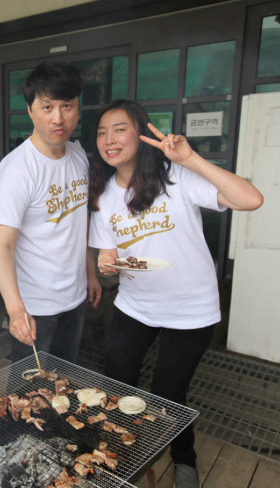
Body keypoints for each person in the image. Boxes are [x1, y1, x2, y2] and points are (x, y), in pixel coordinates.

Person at [88, 99, 263, 488]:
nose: (109, 139)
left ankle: (184, 460)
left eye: (119, 129)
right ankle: (119, 450)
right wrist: (107, 262)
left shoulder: (177, 177)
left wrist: (191, 159)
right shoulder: (103, 194)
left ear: (142, 134)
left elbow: (251, 199)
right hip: (135, 305)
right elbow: (107, 252)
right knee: (117, 384)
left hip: (191, 309)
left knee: (168, 395)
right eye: (101, 132)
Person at [0, 61, 102, 368]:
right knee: (30, 389)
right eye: (47, 107)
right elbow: (2, 247)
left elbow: (80, 223)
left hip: (75, 297)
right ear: (30, 110)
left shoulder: (78, 156)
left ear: (78, 107)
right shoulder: (18, 171)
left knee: (64, 380)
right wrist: (16, 310)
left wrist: (90, 273)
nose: (58, 118)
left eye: (67, 105)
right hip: (35, 306)